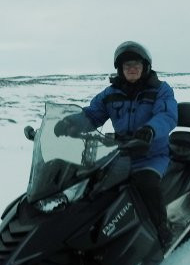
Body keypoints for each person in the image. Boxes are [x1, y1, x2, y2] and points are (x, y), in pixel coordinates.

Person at [55, 41, 178, 249]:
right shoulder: (110, 93)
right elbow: (92, 114)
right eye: (127, 66)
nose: (132, 69)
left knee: (146, 183)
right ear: (120, 69)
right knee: (92, 182)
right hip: (119, 151)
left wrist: (150, 130)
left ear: (145, 67)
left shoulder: (160, 90)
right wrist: (69, 124)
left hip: (151, 152)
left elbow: (167, 114)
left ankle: (161, 228)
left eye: (136, 65)